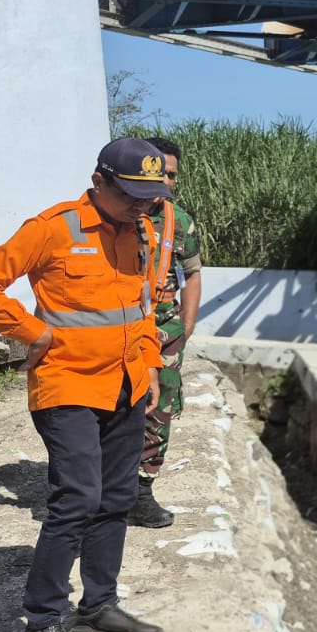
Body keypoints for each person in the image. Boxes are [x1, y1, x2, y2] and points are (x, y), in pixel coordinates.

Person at [0, 137, 170, 632]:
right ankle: (42, 624)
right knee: (77, 498)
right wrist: (33, 334)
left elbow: (143, 304)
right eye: (131, 195)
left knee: (117, 498)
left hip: (125, 385)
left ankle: (98, 607)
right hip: (67, 385)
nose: (142, 205)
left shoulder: (139, 229)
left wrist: (148, 363)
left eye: (150, 195)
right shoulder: (53, 228)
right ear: (99, 182)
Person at [129, 136, 204, 528]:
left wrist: (186, 324)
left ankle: (141, 490)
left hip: (164, 330)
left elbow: (192, 273)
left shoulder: (180, 221)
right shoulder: (119, 213)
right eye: (160, 173)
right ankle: (104, 486)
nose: (167, 183)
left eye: (172, 175)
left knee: (158, 409)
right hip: (120, 327)